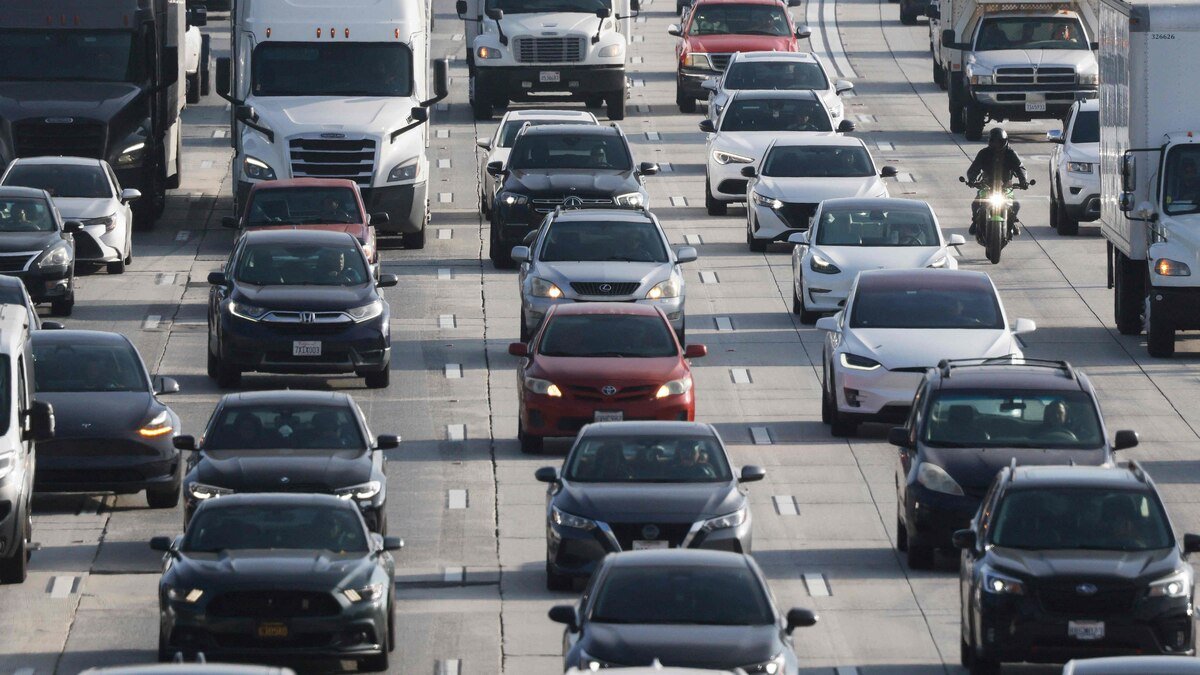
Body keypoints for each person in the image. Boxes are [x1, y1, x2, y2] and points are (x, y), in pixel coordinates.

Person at [966, 127, 1029, 236]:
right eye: (994, 142)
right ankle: (975, 221)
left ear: (1005, 141)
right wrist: (972, 179)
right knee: (975, 204)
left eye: (1000, 142)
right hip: (986, 185)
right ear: (990, 141)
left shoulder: (1011, 153)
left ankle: (1012, 222)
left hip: (1006, 186)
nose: (997, 145)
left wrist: (1023, 181)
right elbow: (974, 168)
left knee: (1016, 205)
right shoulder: (983, 153)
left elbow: (1020, 168)